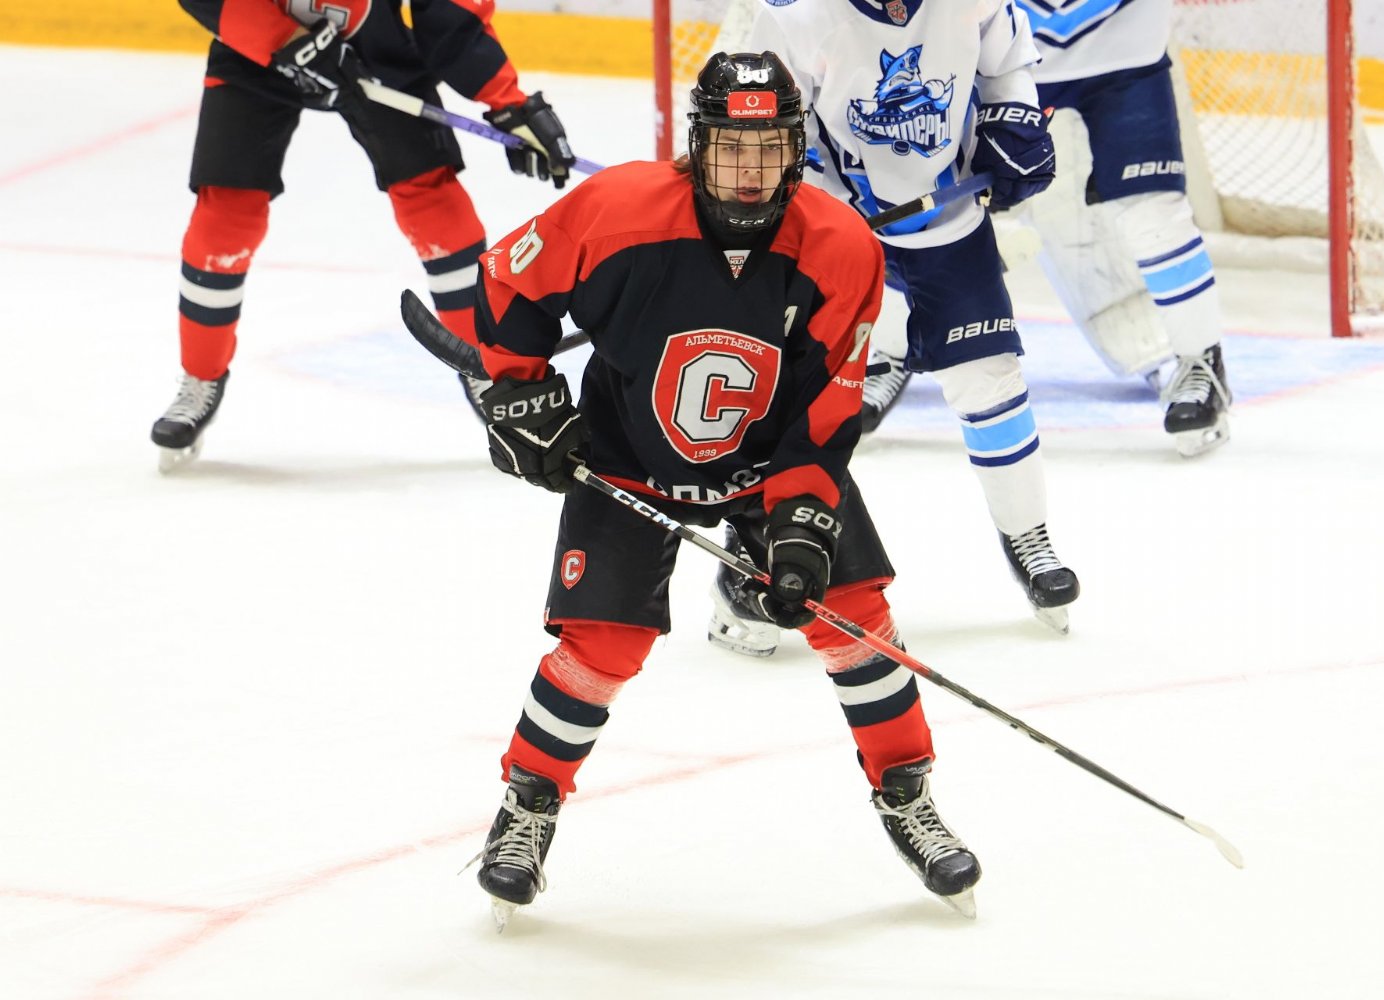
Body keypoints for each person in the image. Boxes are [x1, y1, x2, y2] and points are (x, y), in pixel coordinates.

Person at [464, 51, 981, 932]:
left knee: (855, 616)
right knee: (601, 647)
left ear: (796, 150)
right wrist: (518, 393)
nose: (750, 171)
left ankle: (906, 793)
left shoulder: (841, 247)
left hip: (769, 463)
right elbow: (511, 280)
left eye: (770, 148)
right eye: (732, 148)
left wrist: (801, 521)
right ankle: (528, 804)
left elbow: (827, 410)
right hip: (628, 454)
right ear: (696, 146)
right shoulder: (618, 209)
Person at [708, 0, 1080, 657]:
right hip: (837, 231)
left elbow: (1007, 61)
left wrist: (1013, 118)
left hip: (950, 220)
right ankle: (752, 549)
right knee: (798, 400)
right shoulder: (797, 16)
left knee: (990, 381)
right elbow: (769, 130)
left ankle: (1028, 534)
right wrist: (810, 205)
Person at [151, 0, 574, 471]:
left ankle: (486, 369)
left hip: (373, 49)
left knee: (435, 204)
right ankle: (200, 376)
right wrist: (287, 39)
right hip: (255, 49)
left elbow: (449, 11)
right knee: (225, 217)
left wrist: (507, 101)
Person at [1013, 0, 1232, 458]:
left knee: (1153, 212)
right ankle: (888, 350)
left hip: (1126, 53)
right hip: (1004, 58)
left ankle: (1200, 363)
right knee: (938, 205)